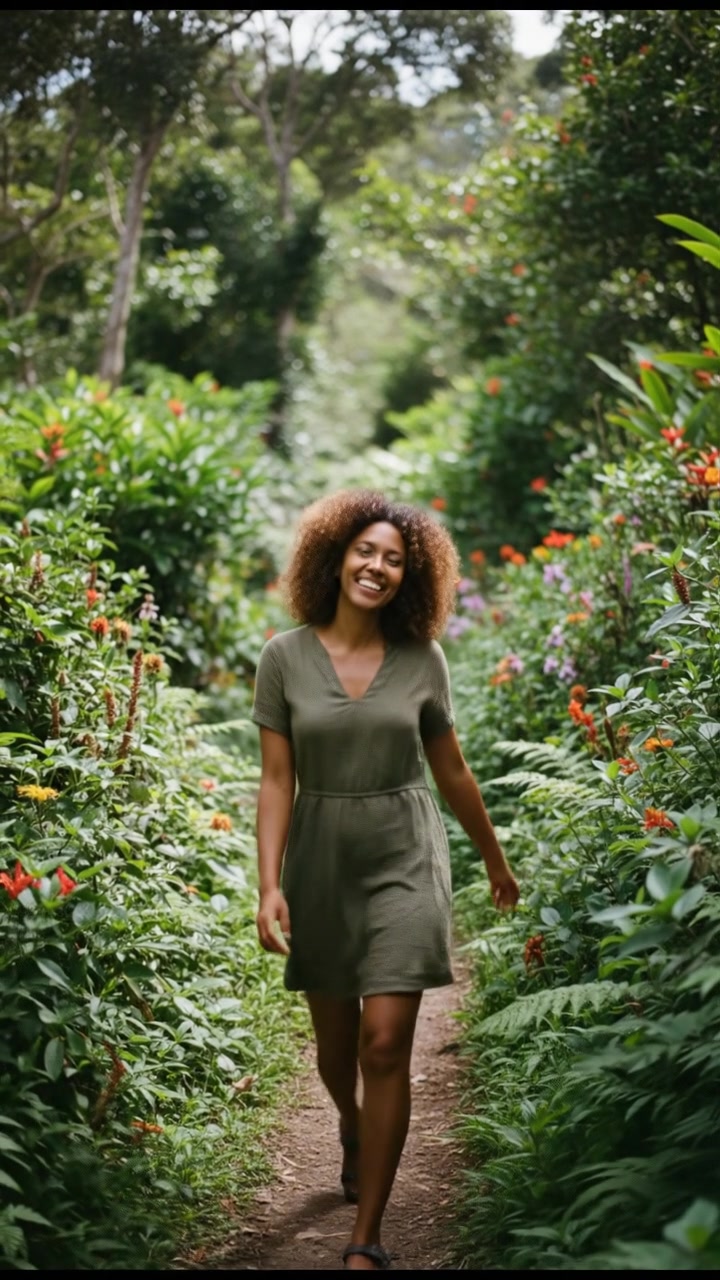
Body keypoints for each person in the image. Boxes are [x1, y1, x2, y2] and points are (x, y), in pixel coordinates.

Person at [251, 489, 519, 1271]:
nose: (377, 567)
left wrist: (495, 859)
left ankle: (366, 1237)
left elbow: (452, 769)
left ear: (412, 576)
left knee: (385, 1042)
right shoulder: (283, 657)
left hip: (406, 857)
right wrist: (269, 885)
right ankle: (350, 1120)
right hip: (320, 863)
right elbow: (276, 780)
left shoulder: (423, 659)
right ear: (335, 559)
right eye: (366, 552)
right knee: (336, 1054)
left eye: (395, 559)